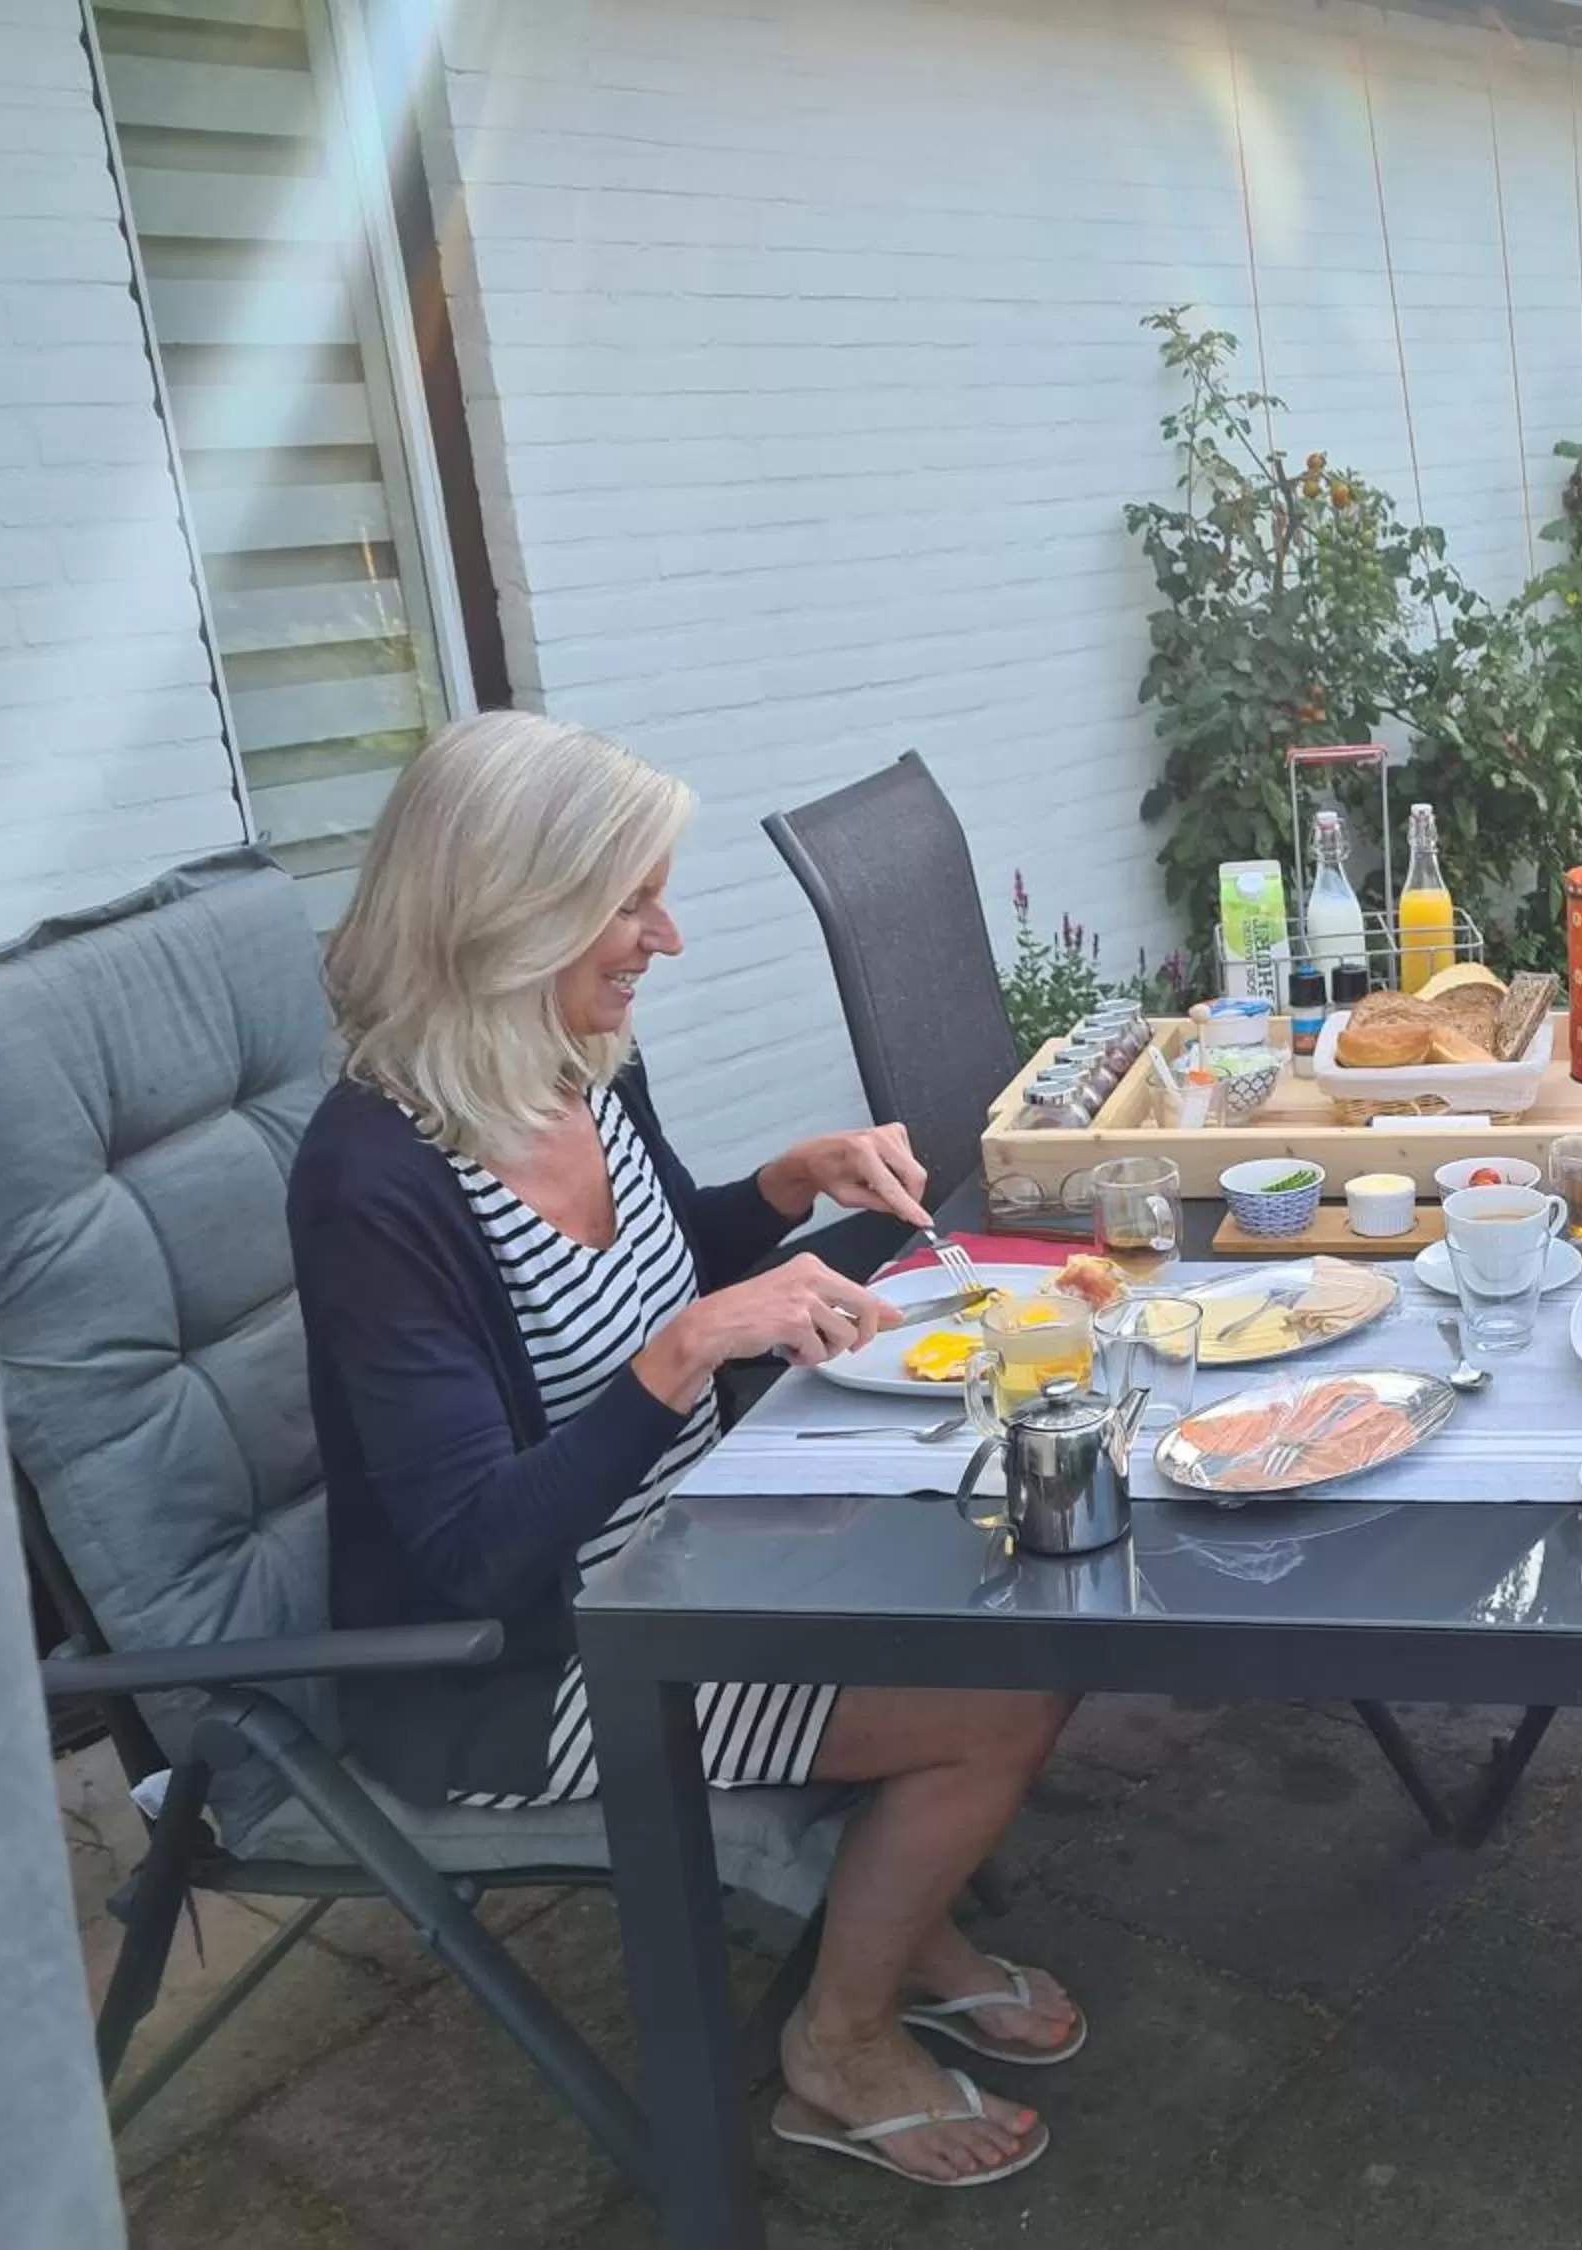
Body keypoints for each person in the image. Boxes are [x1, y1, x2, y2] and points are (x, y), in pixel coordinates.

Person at [290, 713, 1078, 2191]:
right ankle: (837, 2043)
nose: (667, 934)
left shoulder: (578, 1059)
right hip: (530, 1663)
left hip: (693, 1543)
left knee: (1022, 1566)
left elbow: (660, 1274)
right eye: (629, 901)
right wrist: (691, 1349)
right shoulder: (371, 1184)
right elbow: (476, 1545)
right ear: (505, 908)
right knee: (1005, 1690)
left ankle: (897, 1917)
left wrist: (783, 1186)